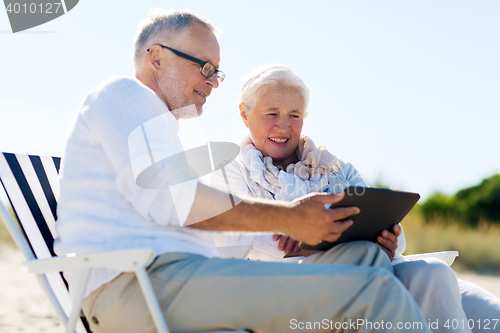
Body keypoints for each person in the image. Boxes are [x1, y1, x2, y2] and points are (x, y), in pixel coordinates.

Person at [52, 8, 433, 333]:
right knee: (370, 289)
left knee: (364, 261)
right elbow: (173, 200)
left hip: (187, 278)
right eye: (204, 67)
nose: (214, 82)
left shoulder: (163, 130)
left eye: (217, 72)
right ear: (155, 57)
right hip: (142, 285)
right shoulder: (122, 94)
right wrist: (291, 218)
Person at [211, 64, 500, 333]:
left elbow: (397, 239)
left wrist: (387, 240)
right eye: (272, 113)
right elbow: (232, 240)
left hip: (371, 264)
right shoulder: (231, 170)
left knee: (435, 273)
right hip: (289, 281)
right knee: (365, 262)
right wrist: (301, 237)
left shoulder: (336, 167)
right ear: (244, 114)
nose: (284, 126)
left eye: (294, 115)